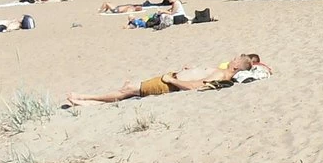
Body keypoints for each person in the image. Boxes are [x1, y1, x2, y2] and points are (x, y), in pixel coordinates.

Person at [65, 54, 259, 106]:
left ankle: (87, 97)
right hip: (170, 80)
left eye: (234, 60)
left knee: (129, 90)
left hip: (168, 84)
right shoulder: (222, 72)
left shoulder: (221, 75)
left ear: (235, 67)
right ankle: (89, 103)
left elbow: (195, 87)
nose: (230, 59)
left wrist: (172, 80)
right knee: (131, 90)